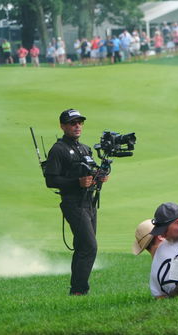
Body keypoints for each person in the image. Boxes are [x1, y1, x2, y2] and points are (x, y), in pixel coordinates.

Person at [44, 109, 109, 295]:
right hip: (73, 203)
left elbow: (90, 173)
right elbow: (51, 180)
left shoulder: (85, 148)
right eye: (73, 123)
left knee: (82, 247)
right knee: (89, 246)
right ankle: (80, 290)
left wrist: (99, 177)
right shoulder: (58, 150)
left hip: (89, 202)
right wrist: (77, 183)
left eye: (80, 122)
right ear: (63, 126)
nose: (77, 126)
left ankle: (77, 290)